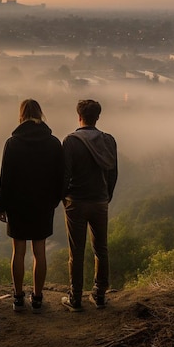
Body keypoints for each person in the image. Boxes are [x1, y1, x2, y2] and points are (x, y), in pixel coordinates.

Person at [0, 99, 64, 313]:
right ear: (40, 114)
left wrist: (2, 205)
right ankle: (37, 297)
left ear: (21, 115)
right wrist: (54, 200)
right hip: (43, 203)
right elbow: (59, 177)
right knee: (39, 250)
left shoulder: (13, 143)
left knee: (18, 251)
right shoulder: (53, 143)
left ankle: (18, 298)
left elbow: (5, 177)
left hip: (17, 203)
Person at [61, 99, 117, 312]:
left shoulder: (70, 141)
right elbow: (113, 173)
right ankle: (100, 295)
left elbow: (64, 174)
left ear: (79, 116)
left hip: (76, 201)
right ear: (98, 117)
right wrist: (106, 195)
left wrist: (63, 197)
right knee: (101, 249)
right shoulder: (109, 141)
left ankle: (75, 298)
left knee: (76, 251)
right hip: (100, 201)